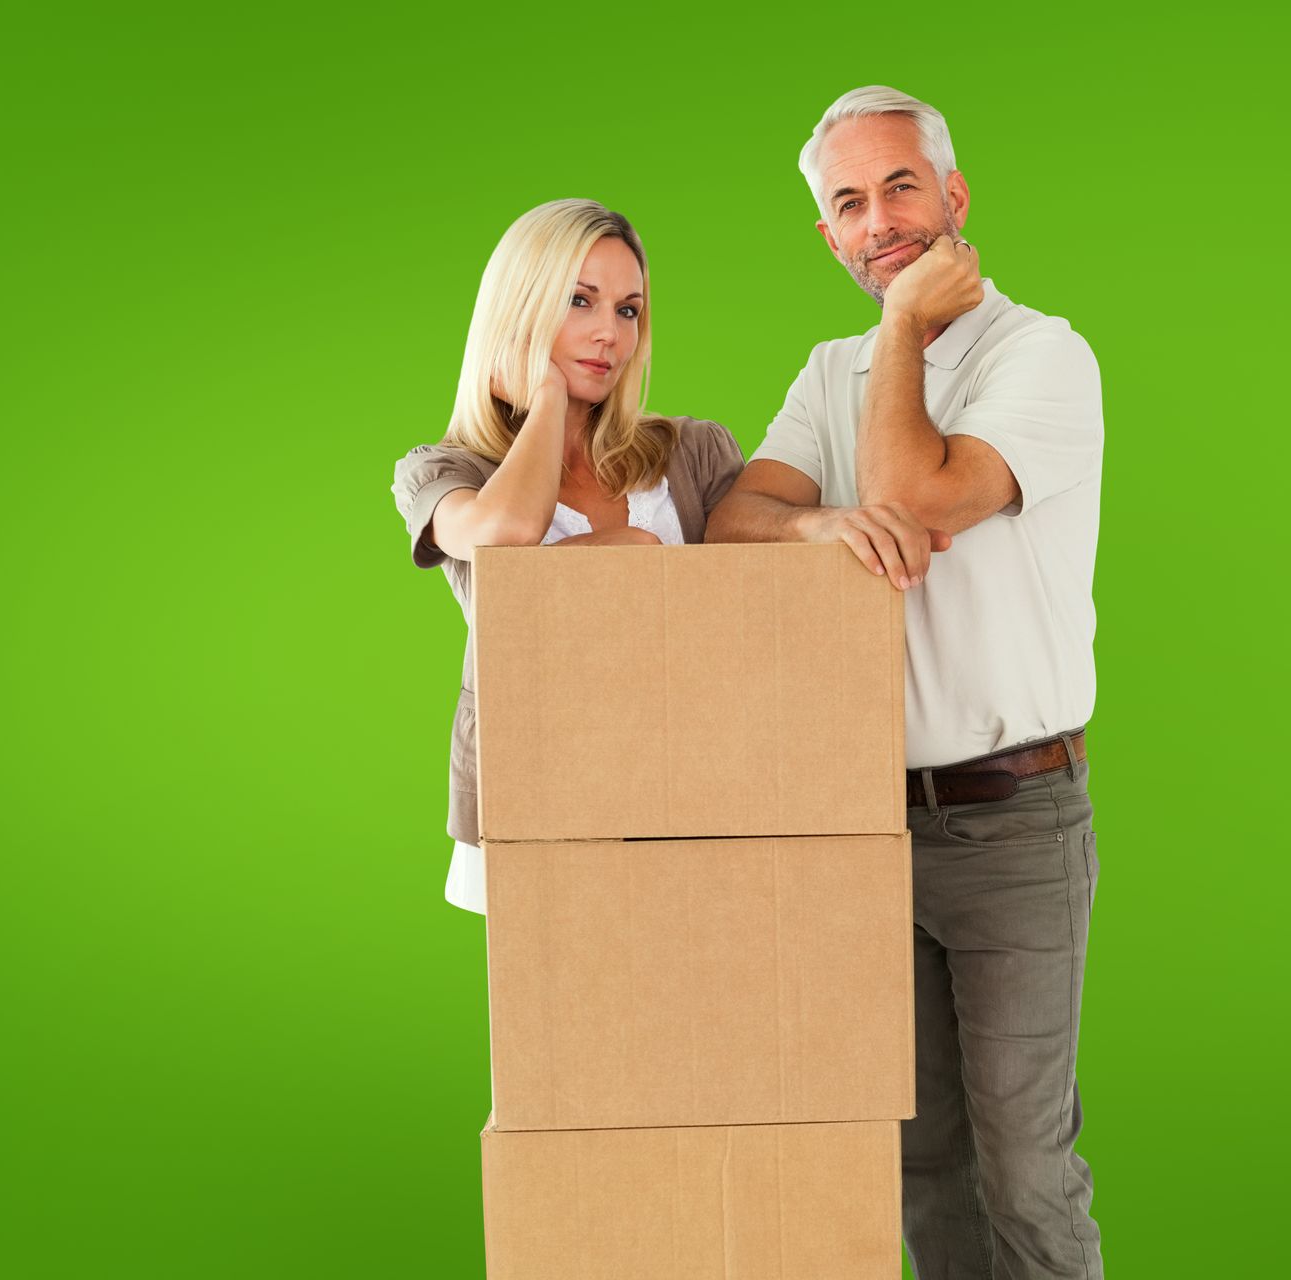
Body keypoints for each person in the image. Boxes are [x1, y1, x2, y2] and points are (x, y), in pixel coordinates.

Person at [706, 87, 1106, 1278]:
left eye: (899, 187)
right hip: (865, 824)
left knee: (1028, 1169)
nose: (878, 220)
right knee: (921, 1159)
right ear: (826, 236)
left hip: (1014, 822)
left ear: (954, 198)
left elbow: (918, 500)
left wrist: (899, 334)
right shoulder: (826, 367)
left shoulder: (1044, 354)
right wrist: (820, 530)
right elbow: (736, 519)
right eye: (848, 203)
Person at [391, 199, 744, 914]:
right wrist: (548, 392)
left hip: (690, 786)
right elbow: (502, 537)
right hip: (537, 794)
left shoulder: (694, 450)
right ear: (518, 309)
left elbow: (746, 603)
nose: (607, 333)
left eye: (628, 310)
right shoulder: (443, 473)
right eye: (578, 301)